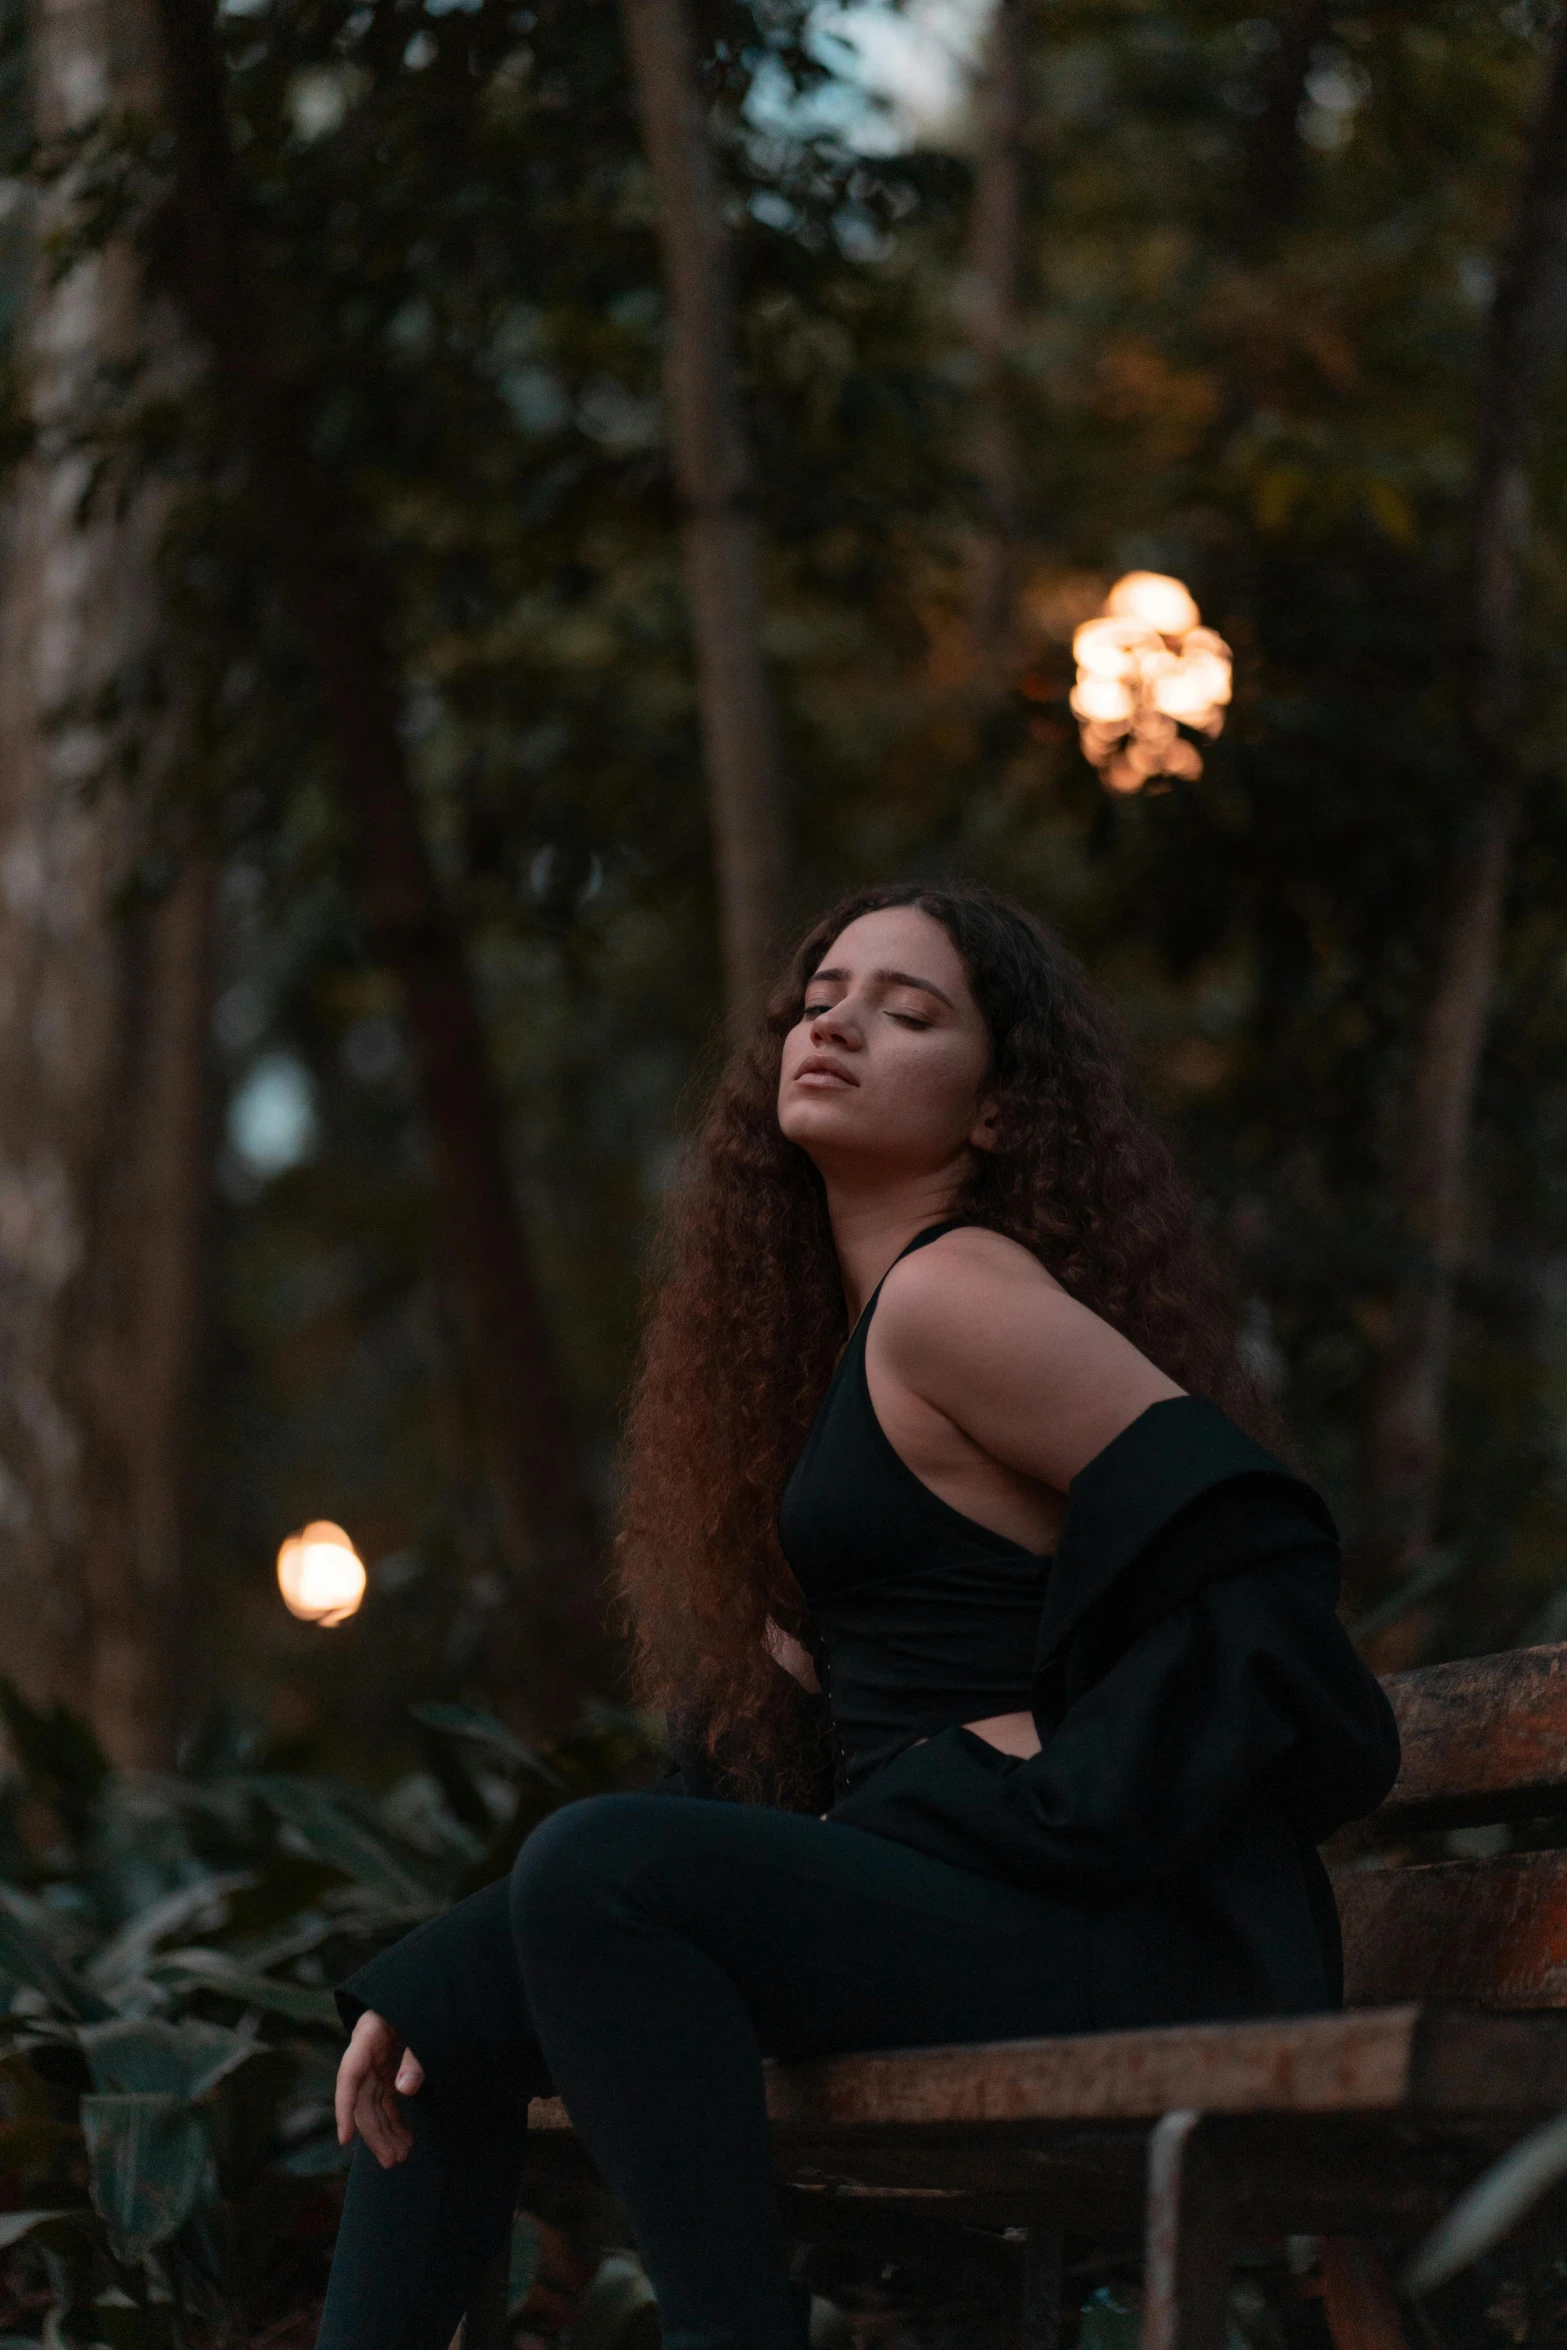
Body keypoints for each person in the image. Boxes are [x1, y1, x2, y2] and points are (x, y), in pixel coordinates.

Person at [320, 882, 1400, 2350]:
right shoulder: (834, 1345)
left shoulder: (953, 1293)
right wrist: (456, 1963)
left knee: (596, 1866)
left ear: (999, 1115)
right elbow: (765, 1768)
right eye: (821, 995)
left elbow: (1256, 1541)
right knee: (441, 2021)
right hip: (972, 1912)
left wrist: (1060, 1784)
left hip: (1122, 1935)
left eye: (909, 1011)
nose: (835, 1021)